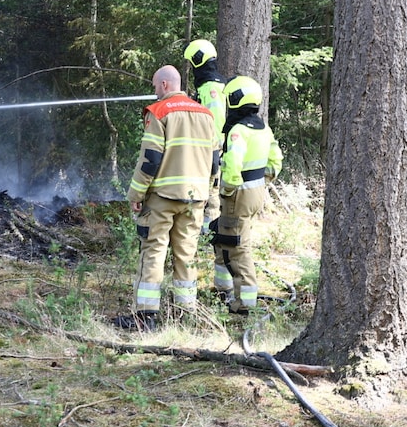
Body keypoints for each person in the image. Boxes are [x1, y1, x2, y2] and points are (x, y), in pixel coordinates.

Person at [115, 65, 219, 331]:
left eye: (154, 86)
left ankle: (145, 318)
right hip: (195, 199)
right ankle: (186, 316)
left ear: (163, 85)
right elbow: (215, 162)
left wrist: (136, 193)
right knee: (186, 255)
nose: (154, 91)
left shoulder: (159, 112)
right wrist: (209, 196)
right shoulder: (206, 115)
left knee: (153, 252)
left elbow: (150, 160)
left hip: (162, 198)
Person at [210, 75, 283, 314]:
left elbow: (232, 166)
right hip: (256, 192)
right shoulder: (263, 128)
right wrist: (262, 181)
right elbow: (276, 161)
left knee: (236, 247)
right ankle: (224, 289)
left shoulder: (238, 132)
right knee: (228, 239)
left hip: (238, 196)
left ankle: (244, 303)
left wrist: (227, 190)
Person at [183, 39, 227, 231]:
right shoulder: (208, 86)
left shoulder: (211, 87)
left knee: (210, 194)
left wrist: (213, 151)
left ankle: (208, 234)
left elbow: (216, 120)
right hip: (207, 148)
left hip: (211, 149)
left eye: (193, 63)